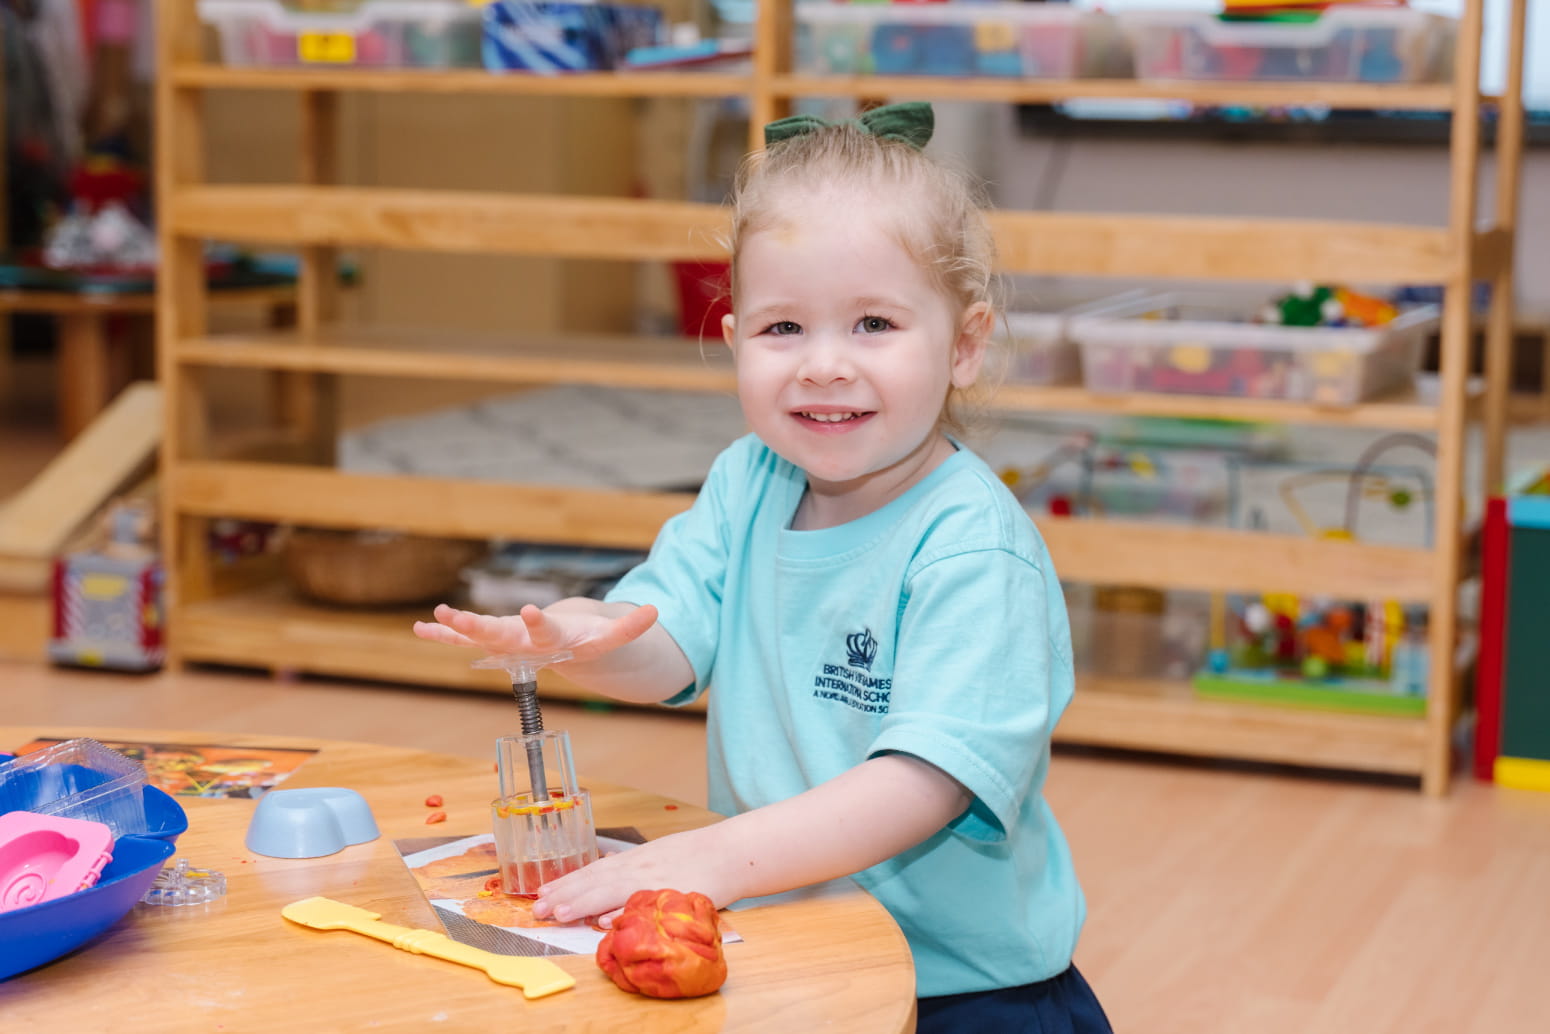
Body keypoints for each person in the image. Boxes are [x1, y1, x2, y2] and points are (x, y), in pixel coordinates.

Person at [413, 102, 1110, 1032]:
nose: (823, 366)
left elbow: (920, 785)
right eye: (785, 329)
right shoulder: (748, 481)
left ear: (966, 345)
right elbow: (666, 647)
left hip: (963, 991)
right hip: (791, 944)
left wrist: (705, 861)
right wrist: (577, 638)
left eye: (873, 324)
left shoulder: (973, 548)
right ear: (738, 340)